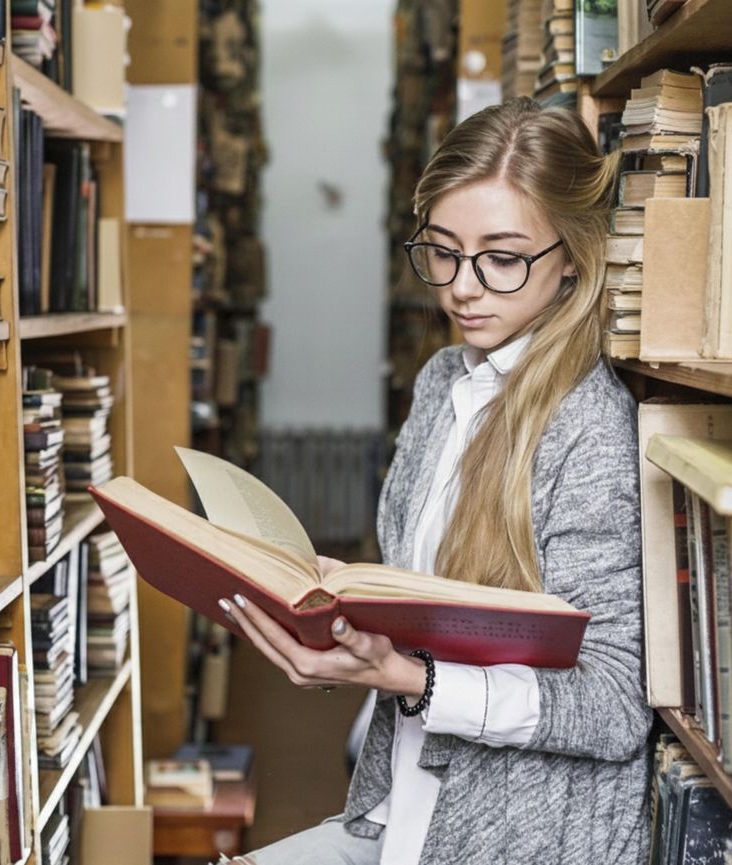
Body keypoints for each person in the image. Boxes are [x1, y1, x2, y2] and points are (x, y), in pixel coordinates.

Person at [217, 96, 652, 865]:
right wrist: (339, 605)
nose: (462, 287)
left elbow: (614, 705)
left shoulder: (593, 429)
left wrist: (405, 676)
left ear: (573, 257)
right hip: (399, 808)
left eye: (503, 256)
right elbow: (420, 598)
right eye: (443, 250)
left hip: (516, 835)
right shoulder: (442, 380)